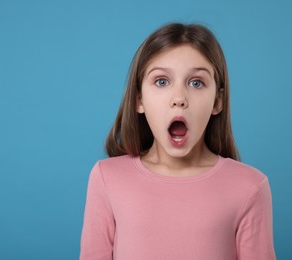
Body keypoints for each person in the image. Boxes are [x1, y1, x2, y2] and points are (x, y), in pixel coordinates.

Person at [79, 23, 276, 260]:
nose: (179, 98)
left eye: (196, 83)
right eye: (162, 81)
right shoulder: (106, 178)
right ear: (139, 99)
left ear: (217, 101)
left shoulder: (251, 187)